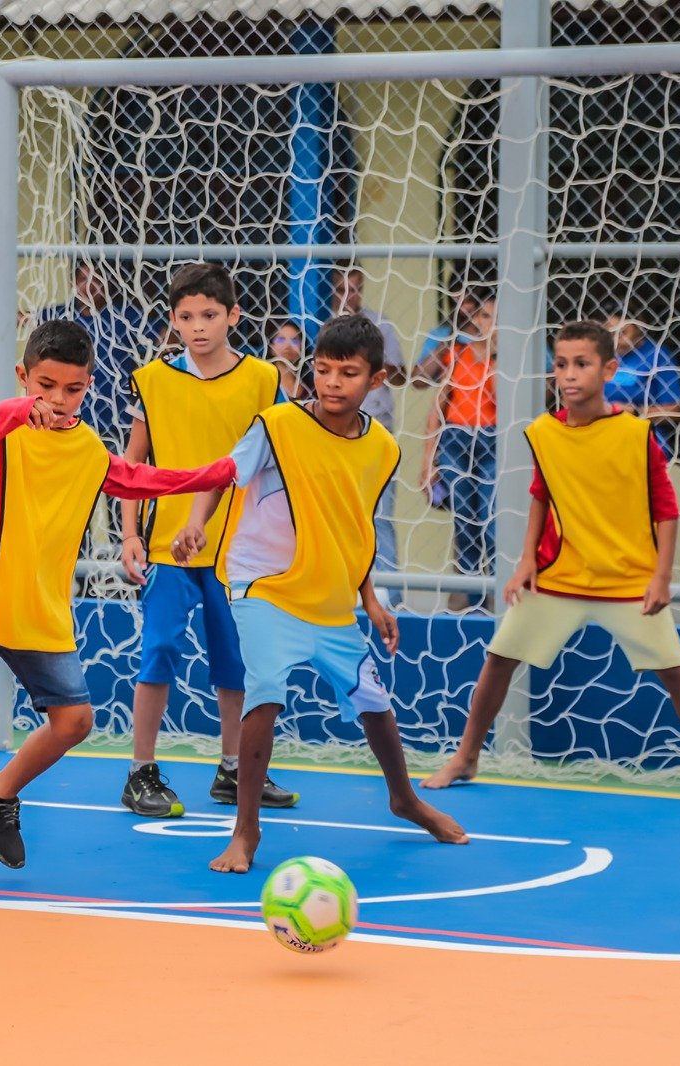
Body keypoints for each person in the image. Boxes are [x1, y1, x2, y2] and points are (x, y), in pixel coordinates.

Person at [0, 320, 237, 902]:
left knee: (75, 722)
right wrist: (15, 411)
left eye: (73, 389)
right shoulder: (2, 431)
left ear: (89, 386)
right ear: (23, 378)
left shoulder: (87, 448)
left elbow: (140, 480)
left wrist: (218, 472)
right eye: (45, 386)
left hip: (41, 613)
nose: (58, 400)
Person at [170, 314, 470, 875]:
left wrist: (372, 600)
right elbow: (221, 474)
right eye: (323, 370)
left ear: (375, 381)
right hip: (265, 586)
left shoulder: (381, 449)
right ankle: (246, 830)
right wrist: (197, 524)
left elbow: (353, 528)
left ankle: (403, 798)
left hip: (331, 598)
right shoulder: (277, 426)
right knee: (265, 690)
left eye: (348, 373)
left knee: (374, 704)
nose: (333, 382)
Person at [422, 321, 680, 807]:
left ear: (609, 370)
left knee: (676, 673)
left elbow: (666, 509)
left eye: (581, 364)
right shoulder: (544, 431)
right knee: (498, 660)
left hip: (627, 582)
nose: (569, 374)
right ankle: (467, 756)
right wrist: (523, 564)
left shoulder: (635, 433)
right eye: (561, 365)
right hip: (558, 577)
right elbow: (542, 493)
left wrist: (661, 577)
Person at [118, 262, 294, 820]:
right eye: (187, 316)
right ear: (173, 320)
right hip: (170, 543)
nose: (198, 326)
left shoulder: (265, 380)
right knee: (159, 652)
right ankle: (140, 771)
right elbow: (132, 464)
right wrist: (128, 534)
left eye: (210, 315)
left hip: (239, 549)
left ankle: (234, 768)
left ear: (233, 316)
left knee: (235, 663)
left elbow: (279, 457)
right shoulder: (152, 380)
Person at [413, 293, 499, 612]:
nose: (491, 324)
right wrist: (427, 461)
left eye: (498, 319)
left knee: (493, 524)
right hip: (456, 441)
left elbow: (500, 398)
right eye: (487, 317)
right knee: (465, 524)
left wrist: (493, 357)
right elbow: (438, 406)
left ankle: (498, 600)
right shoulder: (457, 353)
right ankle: (471, 604)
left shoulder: (505, 361)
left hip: (493, 442)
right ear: (476, 321)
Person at [332, 266, 408, 607]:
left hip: (377, 427)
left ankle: (390, 595)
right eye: (343, 288)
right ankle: (341, 589)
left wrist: (369, 366)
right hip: (334, 432)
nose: (350, 295)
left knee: (380, 513)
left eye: (356, 287)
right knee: (336, 514)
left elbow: (403, 375)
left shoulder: (381, 325)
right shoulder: (323, 326)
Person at [34, 261, 163, 449]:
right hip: (67, 419)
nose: (89, 286)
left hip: (116, 422)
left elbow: (165, 334)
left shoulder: (124, 315)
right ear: (73, 283)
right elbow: (21, 319)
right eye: (83, 279)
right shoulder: (59, 315)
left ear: (107, 284)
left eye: (97, 279)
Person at [603, 312, 680, 458]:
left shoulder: (657, 355)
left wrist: (635, 412)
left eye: (622, 333)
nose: (616, 340)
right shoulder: (601, 355)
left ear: (639, 328)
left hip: (643, 437)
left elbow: (676, 410)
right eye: (611, 333)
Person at [268, 319, 310, 399]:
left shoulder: (310, 388)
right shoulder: (264, 384)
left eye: (294, 341)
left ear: (302, 348)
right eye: (281, 340)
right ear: (271, 347)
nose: (287, 346)